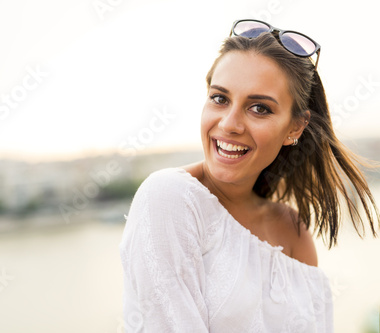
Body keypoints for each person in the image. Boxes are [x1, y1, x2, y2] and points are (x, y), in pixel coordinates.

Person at [119, 19, 379, 332]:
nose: (229, 124)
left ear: (295, 127)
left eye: (259, 108)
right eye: (220, 98)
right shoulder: (169, 197)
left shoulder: (294, 233)